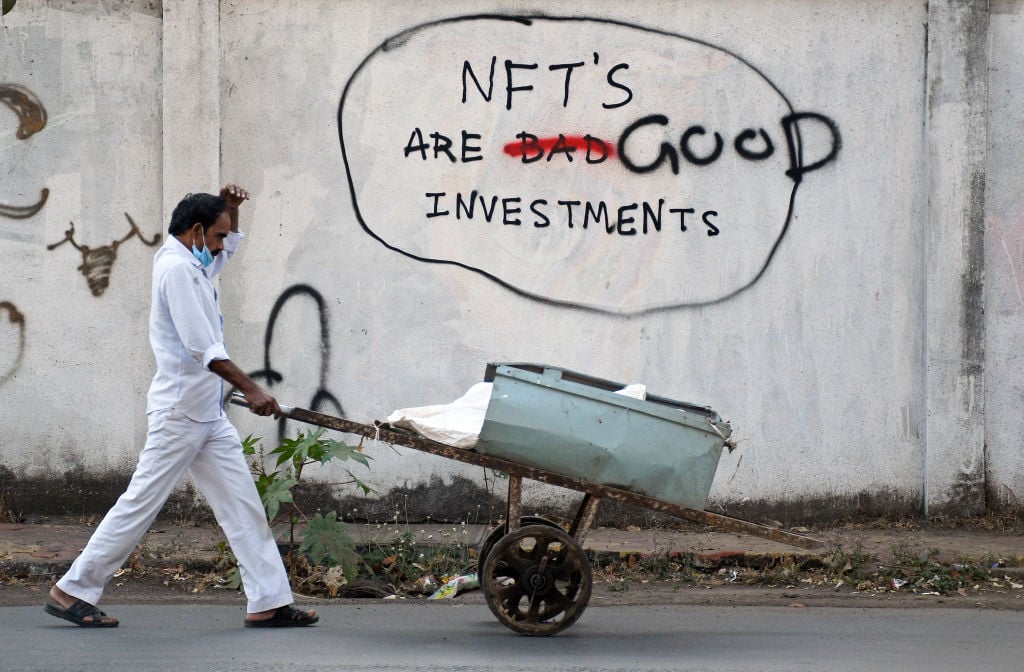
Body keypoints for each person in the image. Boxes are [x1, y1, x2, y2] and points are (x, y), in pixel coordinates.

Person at [44, 185, 318, 628]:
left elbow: (221, 258)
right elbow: (202, 348)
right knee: (140, 504)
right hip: (179, 414)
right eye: (217, 237)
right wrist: (252, 389)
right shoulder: (176, 270)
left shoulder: (192, 263)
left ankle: (268, 600)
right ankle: (70, 591)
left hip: (205, 414)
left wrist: (231, 210)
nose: (223, 246)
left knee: (243, 504)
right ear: (194, 231)